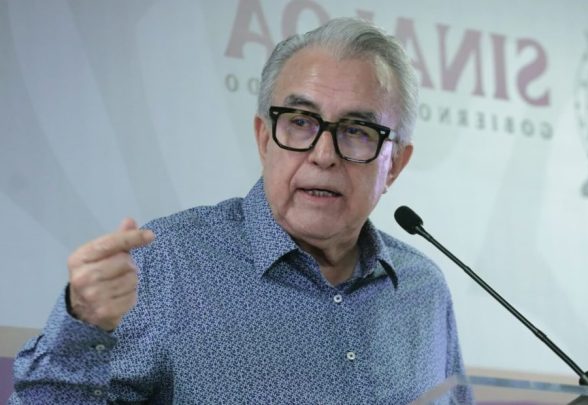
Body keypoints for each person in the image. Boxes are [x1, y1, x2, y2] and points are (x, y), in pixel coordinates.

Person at [11, 17, 466, 403]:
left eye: (357, 131)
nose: (324, 155)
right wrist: (82, 328)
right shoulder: (167, 264)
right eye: (301, 122)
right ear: (264, 138)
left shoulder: (422, 288)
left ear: (394, 165)